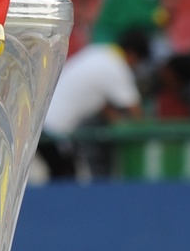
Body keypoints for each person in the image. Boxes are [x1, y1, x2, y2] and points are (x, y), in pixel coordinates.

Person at [38, 26, 150, 180]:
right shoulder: (117, 67)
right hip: (52, 132)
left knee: (71, 178)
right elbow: (136, 112)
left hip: (42, 124)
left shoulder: (99, 52)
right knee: (70, 183)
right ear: (132, 55)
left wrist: (117, 120)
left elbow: (101, 103)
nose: (136, 66)